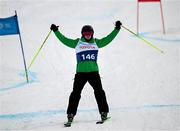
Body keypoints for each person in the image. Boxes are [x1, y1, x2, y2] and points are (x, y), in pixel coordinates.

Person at [50, 21, 122, 123]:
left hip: (94, 73)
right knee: (75, 93)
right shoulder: (77, 43)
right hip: (80, 74)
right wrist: (56, 31)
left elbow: (108, 39)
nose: (87, 35)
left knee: (99, 92)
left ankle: (103, 112)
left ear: (92, 34)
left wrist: (117, 29)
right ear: (82, 34)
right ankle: (70, 114)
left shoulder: (96, 43)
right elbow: (64, 40)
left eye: (89, 34)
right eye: (85, 34)